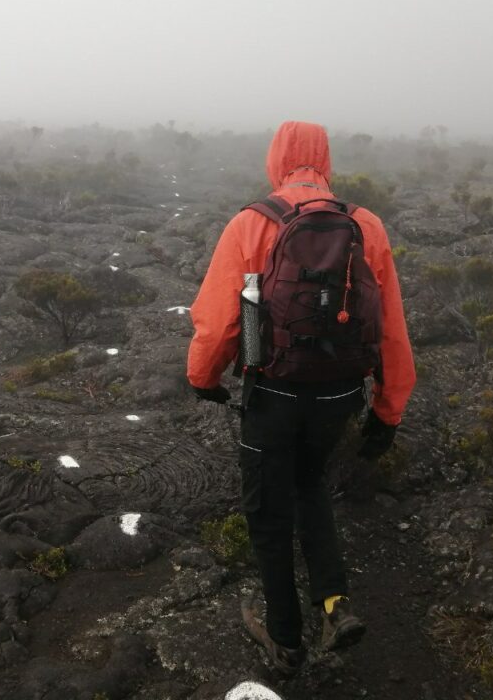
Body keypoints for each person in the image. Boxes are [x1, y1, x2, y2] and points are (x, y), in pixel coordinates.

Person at [186, 120, 416, 675]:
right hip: (339, 392)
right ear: (326, 160)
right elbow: (390, 329)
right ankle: (335, 606)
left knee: (267, 512)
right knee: (310, 485)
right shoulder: (367, 225)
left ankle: (285, 639)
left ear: (276, 159)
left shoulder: (251, 222)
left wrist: (203, 379)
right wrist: (388, 411)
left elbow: (219, 324)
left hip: (273, 392)